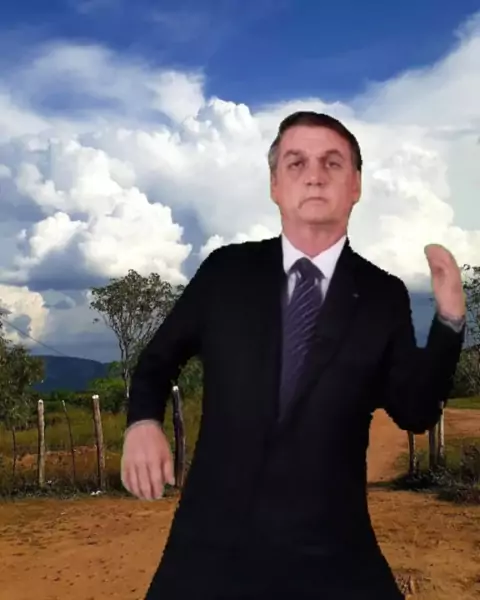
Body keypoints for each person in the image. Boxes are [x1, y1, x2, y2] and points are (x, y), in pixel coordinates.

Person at [121, 111, 465, 599]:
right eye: (296, 162)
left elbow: (415, 410)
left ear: (356, 186)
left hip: (333, 552)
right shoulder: (225, 272)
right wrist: (142, 422)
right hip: (210, 548)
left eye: (332, 163)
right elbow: (157, 362)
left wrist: (449, 322)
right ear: (274, 185)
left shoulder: (383, 295)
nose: (314, 175)